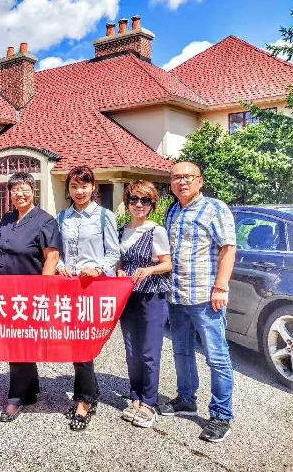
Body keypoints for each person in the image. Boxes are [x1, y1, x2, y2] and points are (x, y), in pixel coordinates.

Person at [159, 162, 237, 443]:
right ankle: (186, 398)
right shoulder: (172, 210)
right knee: (181, 351)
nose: (182, 182)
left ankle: (221, 415)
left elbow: (228, 248)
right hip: (177, 295)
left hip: (205, 296)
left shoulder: (215, 208)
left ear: (200, 181)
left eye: (188, 177)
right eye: (176, 178)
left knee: (217, 357)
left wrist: (221, 286)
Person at [56, 165, 119, 431]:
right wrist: (60, 265)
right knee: (75, 343)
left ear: (93, 187)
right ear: (68, 189)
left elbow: (114, 253)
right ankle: (90, 390)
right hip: (69, 288)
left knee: (83, 344)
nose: (79, 191)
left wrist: (98, 268)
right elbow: (56, 252)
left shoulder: (104, 217)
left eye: (84, 186)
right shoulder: (62, 217)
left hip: (93, 288)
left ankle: (84, 401)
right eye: (74, 186)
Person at [0, 172, 60, 423]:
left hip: (29, 292)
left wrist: (43, 290)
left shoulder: (45, 221)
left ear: (34, 191)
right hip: (5, 290)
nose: (19, 194)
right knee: (16, 340)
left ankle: (16, 396)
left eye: (25, 189)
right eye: (15, 190)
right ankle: (30, 389)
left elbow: (52, 257)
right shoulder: (7, 218)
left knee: (19, 342)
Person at [115, 180, 172, 429]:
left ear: (152, 204)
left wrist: (148, 270)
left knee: (149, 350)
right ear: (127, 202)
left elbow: (167, 264)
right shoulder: (121, 230)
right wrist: (118, 270)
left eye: (145, 200)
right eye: (134, 199)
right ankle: (135, 396)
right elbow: (118, 260)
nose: (139, 205)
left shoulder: (156, 230)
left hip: (151, 295)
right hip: (127, 296)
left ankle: (149, 402)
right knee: (131, 349)